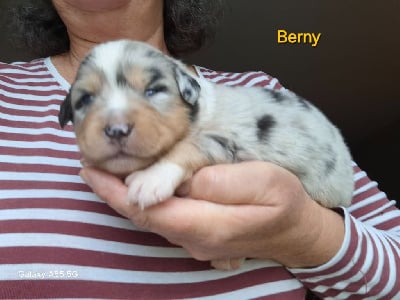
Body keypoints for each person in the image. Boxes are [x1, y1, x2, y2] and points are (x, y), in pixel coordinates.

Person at [0, 0, 399, 299]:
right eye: (87, 100)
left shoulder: (260, 97)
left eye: (153, 90)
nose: (118, 125)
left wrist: (302, 234)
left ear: (188, 94)